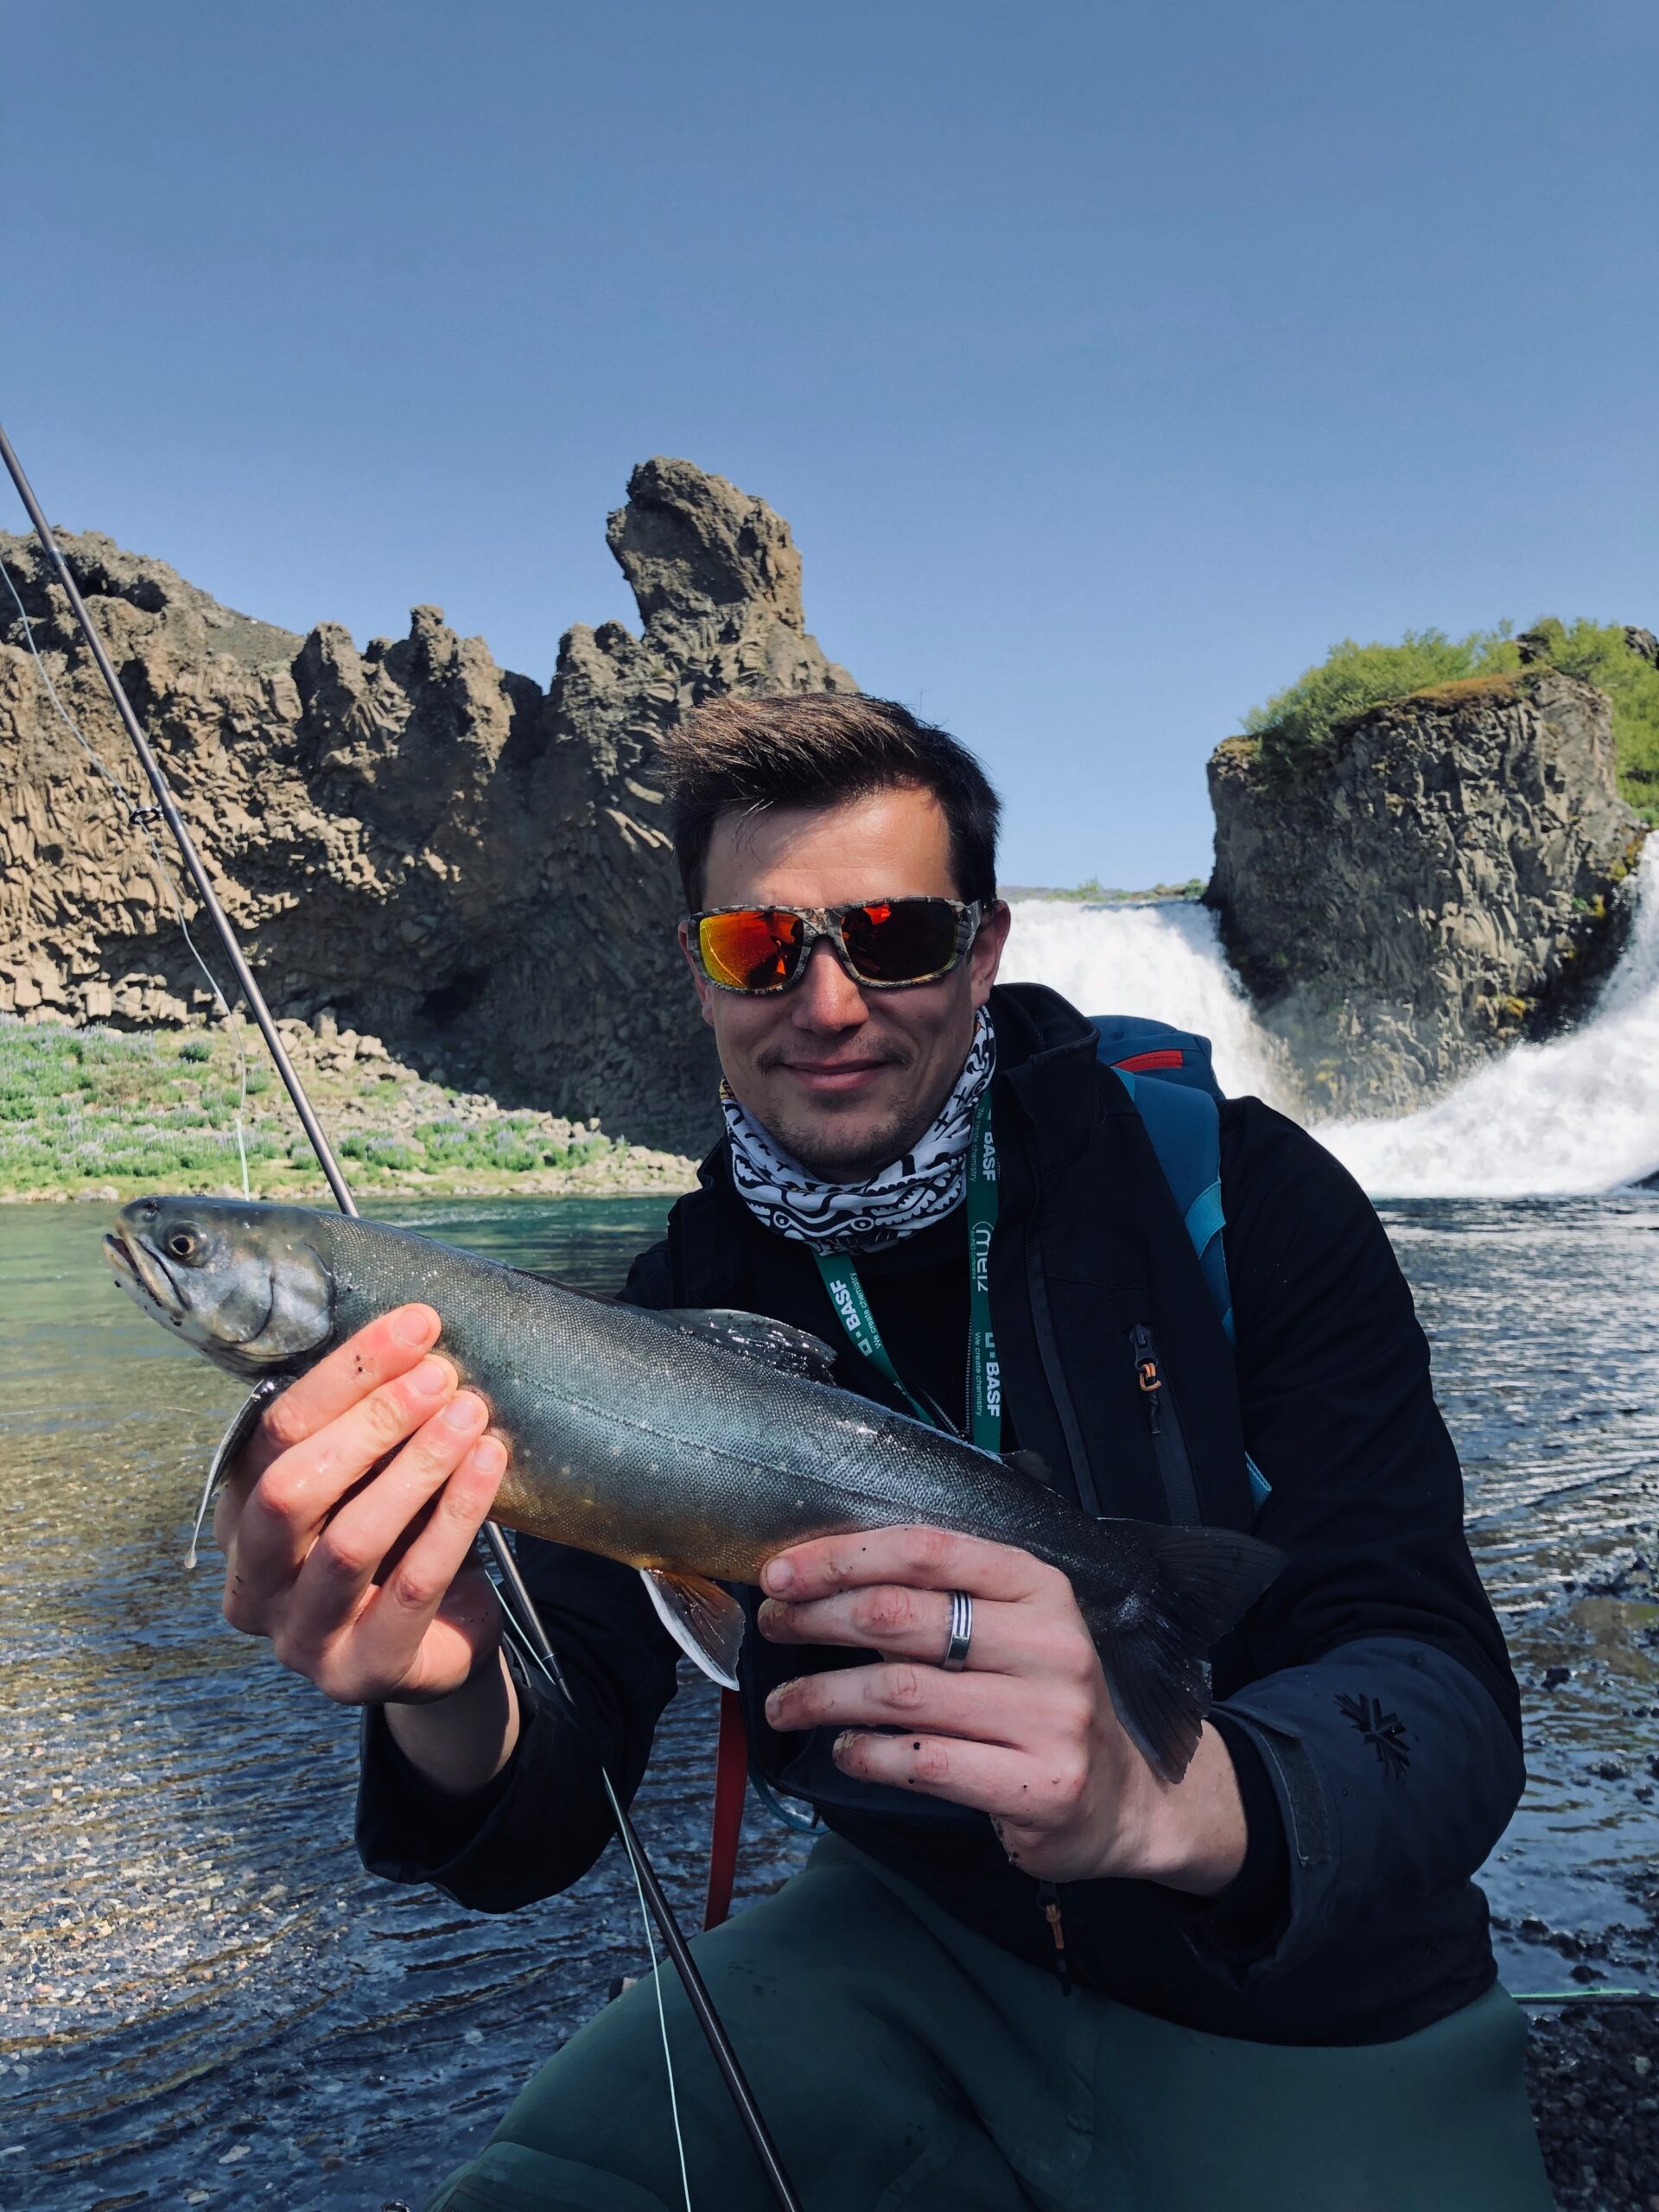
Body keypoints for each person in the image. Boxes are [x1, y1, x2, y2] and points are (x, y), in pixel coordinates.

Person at [213, 695, 1554, 2211]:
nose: (829, 1002)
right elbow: (552, 1794)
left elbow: (1439, 1687)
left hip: (1310, 1996)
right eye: (758, 947)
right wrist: (443, 1687)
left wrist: (1172, 1804)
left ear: (983, 952)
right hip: (913, 1932)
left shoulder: (1245, 1196)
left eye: (895, 937)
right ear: (701, 980)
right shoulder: (665, 1309)